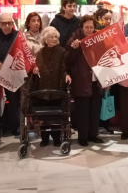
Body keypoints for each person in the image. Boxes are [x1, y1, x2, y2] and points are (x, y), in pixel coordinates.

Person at [66, 16, 104, 146]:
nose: (89, 29)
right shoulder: (75, 38)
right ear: (81, 27)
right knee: (82, 111)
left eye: (91, 27)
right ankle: (82, 137)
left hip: (97, 81)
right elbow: (68, 61)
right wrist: (74, 49)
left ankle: (93, 135)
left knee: (95, 110)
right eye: (86, 27)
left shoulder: (99, 38)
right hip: (81, 80)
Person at [31, 26, 71, 146]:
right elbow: (35, 67)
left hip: (56, 89)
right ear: (45, 39)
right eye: (51, 37)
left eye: (56, 37)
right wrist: (34, 70)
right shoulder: (40, 52)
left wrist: (67, 75)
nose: (54, 39)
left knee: (55, 116)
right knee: (44, 116)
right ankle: (44, 138)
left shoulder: (61, 51)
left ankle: (57, 138)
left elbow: (65, 68)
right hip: (42, 89)